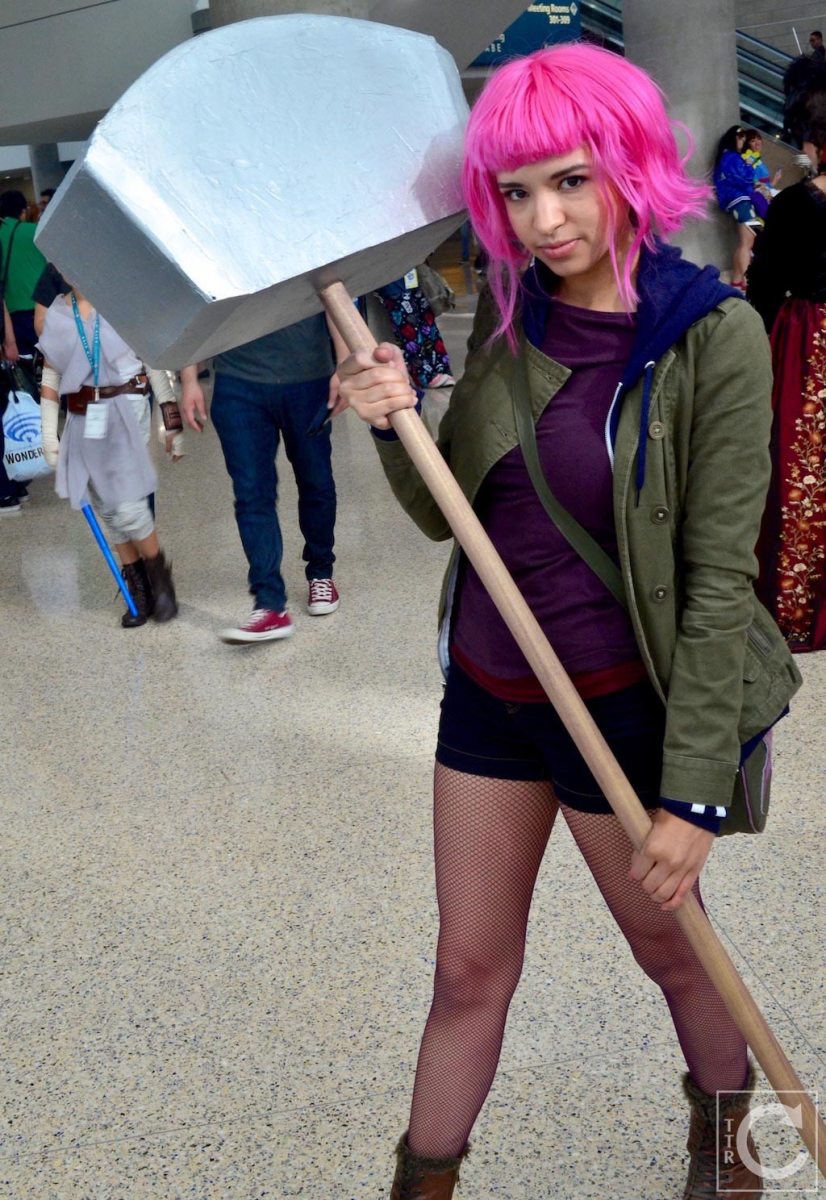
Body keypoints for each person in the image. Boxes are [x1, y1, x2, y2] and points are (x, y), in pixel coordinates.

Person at [333, 43, 801, 1200]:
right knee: (465, 972)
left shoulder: (711, 336)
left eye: (571, 180)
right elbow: (452, 517)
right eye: (516, 191)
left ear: (629, 167)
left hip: (620, 708)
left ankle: (728, 1160)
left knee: (673, 952)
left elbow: (712, 579)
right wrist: (392, 419)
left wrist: (692, 796)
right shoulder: (509, 319)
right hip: (490, 700)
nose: (544, 219)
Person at [179, 314, 340, 644]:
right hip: (238, 382)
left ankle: (321, 570)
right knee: (252, 494)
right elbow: (198, 306)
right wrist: (189, 377)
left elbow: (332, 295)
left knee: (316, 481)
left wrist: (345, 366)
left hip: (309, 378)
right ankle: (269, 604)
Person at [38, 285, 181, 627]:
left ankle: (161, 581)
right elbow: (51, 373)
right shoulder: (59, 311)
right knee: (105, 504)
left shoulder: (122, 298)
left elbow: (154, 361)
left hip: (126, 406)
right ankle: (139, 589)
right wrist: (48, 433)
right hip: (83, 414)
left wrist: (171, 421)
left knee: (127, 504)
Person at [748, 85, 826, 652]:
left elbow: (765, 280)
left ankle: (796, 606)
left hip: (807, 339)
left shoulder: (798, 204)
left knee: (801, 467)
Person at [0, 190, 48, 358]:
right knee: (50, 367)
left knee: (25, 366)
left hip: (11, 316)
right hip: (42, 309)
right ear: (23, 210)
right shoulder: (36, 231)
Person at [712, 126, 761, 290]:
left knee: (744, 243)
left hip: (737, 201)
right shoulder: (732, 157)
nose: (743, 141)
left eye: (744, 138)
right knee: (748, 242)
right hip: (740, 201)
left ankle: (737, 280)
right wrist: (749, 165)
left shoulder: (727, 156)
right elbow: (744, 179)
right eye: (740, 137)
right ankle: (747, 282)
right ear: (732, 138)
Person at [742, 129, 781, 219]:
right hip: (763, 197)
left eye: (758, 139)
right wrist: (770, 194)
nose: (757, 143)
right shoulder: (750, 159)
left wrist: (775, 180)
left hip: (766, 193)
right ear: (747, 144)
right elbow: (755, 185)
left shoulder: (756, 157)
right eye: (752, 141)